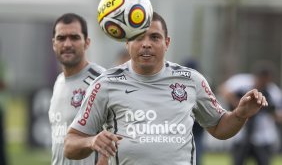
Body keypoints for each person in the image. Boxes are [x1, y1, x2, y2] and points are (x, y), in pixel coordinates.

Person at [64, 12, 268, 165]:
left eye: (154, 37)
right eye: (138, 37)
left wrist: (240, 114)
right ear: (127, 43)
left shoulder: (191, 80)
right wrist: (91, 142)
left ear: (167, 42)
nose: (146, 44)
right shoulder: (105, 83)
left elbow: (219, 127)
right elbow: (70, 144)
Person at [48, 13, 107, 165]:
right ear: (54, 44)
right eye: (61, 38)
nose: (67, 44)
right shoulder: (59, 81)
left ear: (87, 42)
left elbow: (120, 133)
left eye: (74, 37)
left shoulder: (102, 80)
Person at [218, 61, 282, 165]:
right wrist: (240, 106)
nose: (263, 83)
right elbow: (223, 89)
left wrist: (271, 112)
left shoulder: (273, 92)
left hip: (262, 137)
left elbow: (279, 116)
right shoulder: (242, 82)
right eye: (261, 80)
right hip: (241, 134)